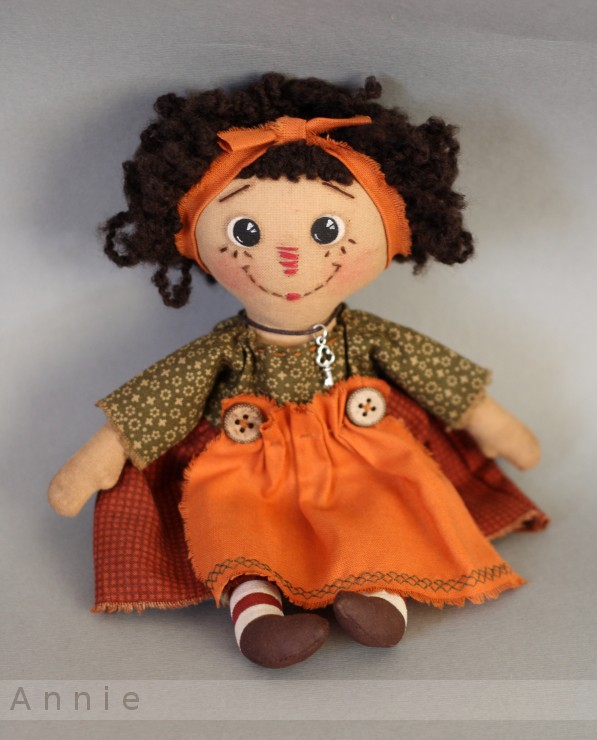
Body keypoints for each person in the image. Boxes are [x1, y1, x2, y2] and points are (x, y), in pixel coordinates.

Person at [49, 73, 545, 669]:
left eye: (326, 231)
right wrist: (105, 452)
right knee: (241, 525)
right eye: (247, 232)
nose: (289, 260)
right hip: (249, 463)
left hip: (356, 454)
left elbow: (429, 369)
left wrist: (490, 421)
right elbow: (167, 392)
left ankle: (377, 597)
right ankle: (259, 619)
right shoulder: (227, 348)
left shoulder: (366, 336)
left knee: (380, 510)